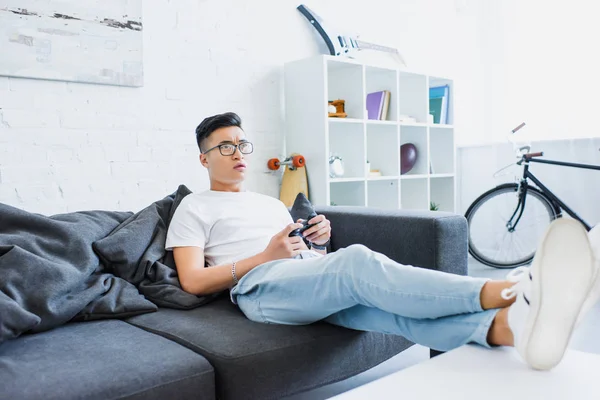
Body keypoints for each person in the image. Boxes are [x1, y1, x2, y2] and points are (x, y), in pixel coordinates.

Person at [166, 112, 600, 371]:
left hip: (301, 276)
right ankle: (513, 291)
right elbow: (192, 281)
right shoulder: (194, 207)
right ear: (204, 158)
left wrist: (318, 239)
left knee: (388, 313)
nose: (238, 152)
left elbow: (300, 251)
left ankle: (511, 331)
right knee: (355, 261)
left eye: (242, 143)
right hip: (258, 291)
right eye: (225, 147)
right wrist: (266, 255)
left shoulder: (270, 202)